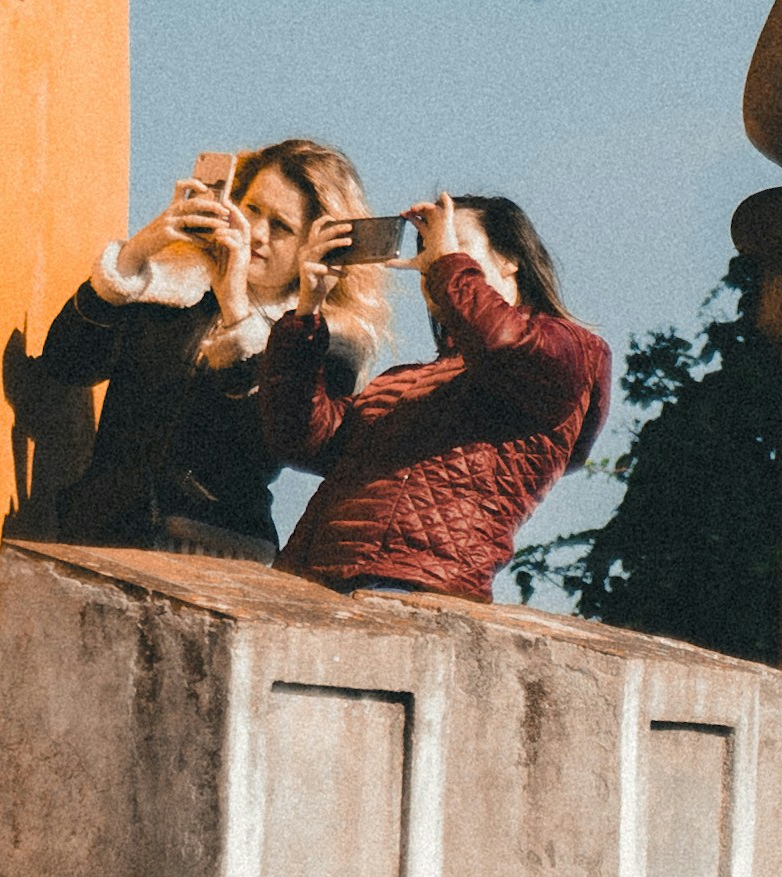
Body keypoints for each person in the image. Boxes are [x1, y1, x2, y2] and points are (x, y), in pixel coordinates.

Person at [29, 134, 381, 560]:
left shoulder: (327, 338)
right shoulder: (175, 286)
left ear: (318, 246)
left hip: (218, 551)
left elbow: (272, 441)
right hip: (102, 532)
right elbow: (67, 365)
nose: (257, 232)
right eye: (252, 209)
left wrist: (236, 308)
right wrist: (134, 258)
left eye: (281, 226)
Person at [258, 197, 609, 603]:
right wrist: (307, 310)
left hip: (411, 587)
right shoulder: (403, 381)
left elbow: (502, 343)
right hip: (309, 581)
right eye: (427, 246)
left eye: (451, 241)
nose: (433, 257)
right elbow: (300, 440)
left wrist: (449, 263)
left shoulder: (573, 350)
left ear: (511, 258)